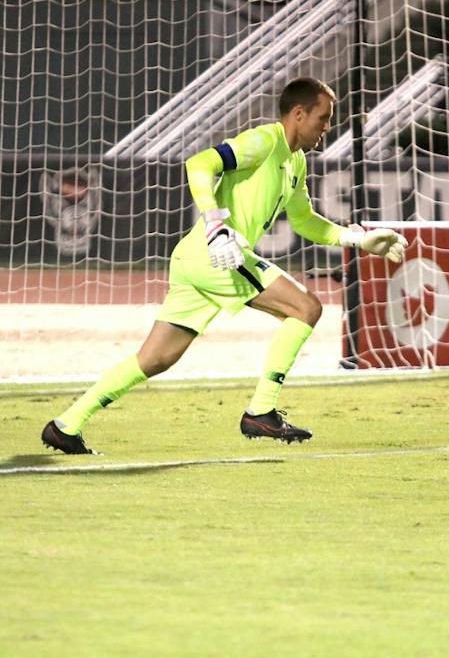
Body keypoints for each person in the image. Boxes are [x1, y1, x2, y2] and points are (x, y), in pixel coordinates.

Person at [41, 76, 405, 454]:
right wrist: (216, 224)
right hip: (216, 255)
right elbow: (199, 163)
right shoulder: (264, 142)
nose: (327, 128)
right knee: (306, 307)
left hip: (196, 260)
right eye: (323, 118)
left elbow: (304, 220)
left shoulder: (295, 162)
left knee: (154, 359)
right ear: (299, 114)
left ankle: (65, 425)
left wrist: (356, 238)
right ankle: (261, 411)